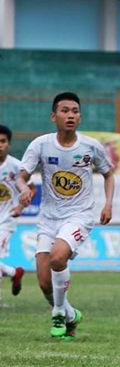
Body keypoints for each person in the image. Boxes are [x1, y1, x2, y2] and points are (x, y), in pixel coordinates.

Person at [15, 92, 115, 339]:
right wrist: (23, 188)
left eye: (75, 111)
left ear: (79, 117)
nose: (70, 115)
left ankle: (58, 312)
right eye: (65, 110)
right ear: (53, 115)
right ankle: (70, 315)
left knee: (58, 258)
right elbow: (21, 176)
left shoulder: (90, 146)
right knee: (43, 282)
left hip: (79, 215)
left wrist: (108, 204)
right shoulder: (40, 144)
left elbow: (108, 174)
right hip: (49, 219)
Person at [0, 124, 28, 299]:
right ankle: (14, 272)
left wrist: (20, 206)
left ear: (8, 144)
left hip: (6, 220)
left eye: (3, 141)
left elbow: (30, 188)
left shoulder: (16, 166)